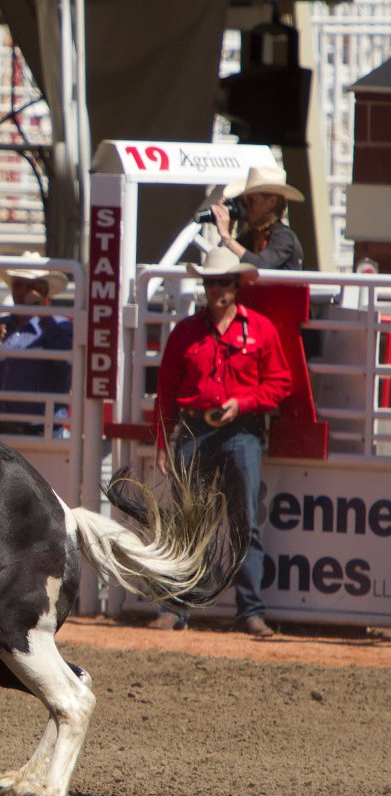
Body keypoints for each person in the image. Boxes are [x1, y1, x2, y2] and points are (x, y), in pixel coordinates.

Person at [151, 247, 292, 637]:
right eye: (212, 282)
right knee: (185, 523)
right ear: (205, 286)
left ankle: (250, 611)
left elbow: (281, 383)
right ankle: (176, 607)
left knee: (244, 522)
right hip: (196, 430)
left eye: (224, 282)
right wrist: (163, 441)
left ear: (236, 285)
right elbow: (165, 390)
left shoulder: (260, 329)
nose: (218, 289)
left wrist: (244, 402)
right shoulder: (186, 332)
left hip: (241, 430)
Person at [0, 253, 73, 437]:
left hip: (41, 432)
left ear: (43, 292)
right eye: (18, 285)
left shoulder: (61, 327)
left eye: (30, 286)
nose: (23, 292)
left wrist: (44, 316)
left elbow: (69, 369)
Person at [211, 167, 305, 271]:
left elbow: (261, 265)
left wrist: (226, 237)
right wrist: (228, 231)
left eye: (252, 200)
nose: (246, 206)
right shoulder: (250, 236)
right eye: (245, 201)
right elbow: (223, 263)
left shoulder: (284, 236)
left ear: (272, 202)